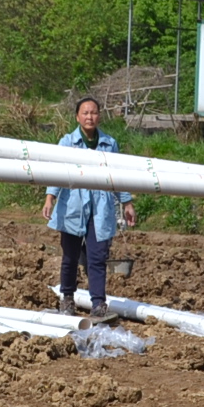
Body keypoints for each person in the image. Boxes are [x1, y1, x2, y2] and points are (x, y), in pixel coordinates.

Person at [45, 96, 136, 324]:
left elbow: (117, 176)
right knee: (70, 256)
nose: (89, 117)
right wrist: (50, 198)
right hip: (73, 205)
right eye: (85, 113)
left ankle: (98, 304)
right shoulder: (67, 142)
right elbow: (56, 172)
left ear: (99, 116)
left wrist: (126, 202)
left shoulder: (109, 143)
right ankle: (67, 298)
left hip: (100, 207)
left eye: (93, 113)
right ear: (77, 117)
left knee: (97, 257)